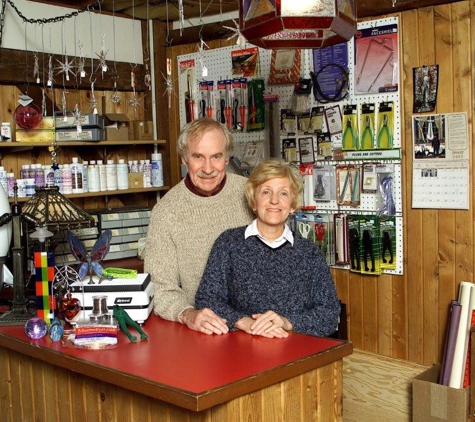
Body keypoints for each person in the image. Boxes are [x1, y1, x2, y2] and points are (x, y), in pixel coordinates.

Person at [195, 159, 341, 338]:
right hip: (239, 353)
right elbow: (206, 299)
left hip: (296, 353)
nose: (274, 201)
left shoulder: (309, 253)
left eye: (283, 194)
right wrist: (243, 322)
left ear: (293, 205)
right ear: (253, 201)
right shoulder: (228, 243)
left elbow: (330, 314)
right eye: (266, 192)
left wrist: (287, 322)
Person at [144, 117, 253, 335]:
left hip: (259, 324)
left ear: (227, 157)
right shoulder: (166, 212)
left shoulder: (250, 193)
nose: (208, 168)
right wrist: (188, 314)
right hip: (208, 331)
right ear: (184, 158)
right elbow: (161, 289)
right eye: (198, 157)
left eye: (216, 157)